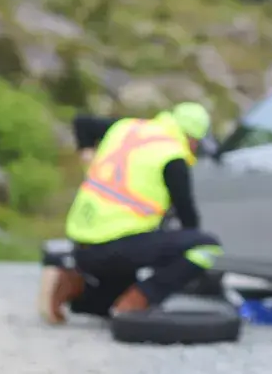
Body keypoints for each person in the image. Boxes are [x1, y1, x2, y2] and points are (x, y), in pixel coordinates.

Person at [38, 102, 223, 324]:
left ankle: (69, 284)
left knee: (110, 302)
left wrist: (87, 155)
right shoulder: (173, 157)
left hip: (83, 243)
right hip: (117, 246)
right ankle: (137, 302)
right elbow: (189, 221)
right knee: (205, 246)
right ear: (192, 139)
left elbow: (83, 123)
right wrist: (183, 273)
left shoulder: (126, 128)